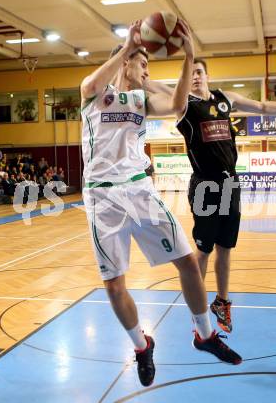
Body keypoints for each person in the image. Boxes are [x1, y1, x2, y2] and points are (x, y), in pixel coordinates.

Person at [80, 20, 242, 388]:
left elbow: (178, 104)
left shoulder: (141, 101)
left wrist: (189, 57)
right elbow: (89, 85)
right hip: (103, 198)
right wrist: (127, 46)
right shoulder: (94, 95)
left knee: (187, 261)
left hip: (139, 190)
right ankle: (141, 346)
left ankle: (204, 335)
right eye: (143, 65)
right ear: (125, 64)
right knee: (115, 287)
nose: (147, 72)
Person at [148, 58, 276, 333]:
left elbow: (259, 107)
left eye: (199, 72)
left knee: (225, 247)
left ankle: (222, 302)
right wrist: (135, 73)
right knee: (203, 249)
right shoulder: (184, 104)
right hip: (204, 186)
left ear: (207, 75)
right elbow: (155, 87)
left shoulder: (224, 99)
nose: (195, 77)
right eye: (191, 74)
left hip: (230, 184)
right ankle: (197, 307)